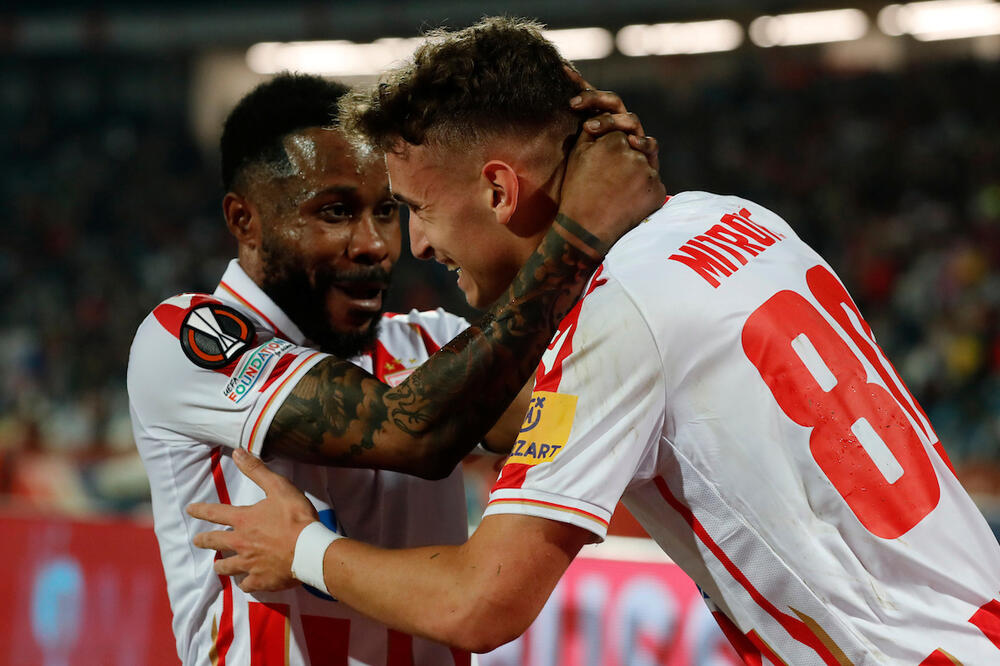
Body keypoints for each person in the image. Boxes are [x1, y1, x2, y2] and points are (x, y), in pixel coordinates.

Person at [189, 17, 1000, 665]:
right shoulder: (739, 218)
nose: (419, 245)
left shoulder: (619, 316)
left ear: (499, 189)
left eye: (417, 209)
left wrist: (304, 549)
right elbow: (512, 404)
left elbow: (479, 603)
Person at [127, 72, 663, 665]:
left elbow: (576, 402)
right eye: (335, 212)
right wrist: (579, 231)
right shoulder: (183, 339)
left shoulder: (433, 343)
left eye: (387, 210)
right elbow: (411, 430)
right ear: (243, 220)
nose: (377, 244)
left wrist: (596, 189)